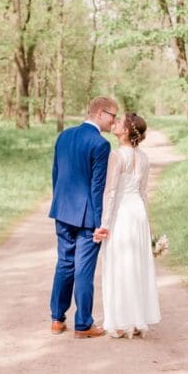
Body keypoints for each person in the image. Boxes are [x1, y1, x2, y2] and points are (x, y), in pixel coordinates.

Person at [48, 96, 117, 338]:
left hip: (62, 210)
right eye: (113, 115)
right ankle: (83, 325)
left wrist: (58, 203)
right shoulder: (100, 144)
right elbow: (97, 188)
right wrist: (101, 224)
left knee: (64, 263)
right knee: (83, 270)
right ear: (100, 113)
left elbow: (56, 175)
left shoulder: (64, 136)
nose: (114, 121)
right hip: (87, 218)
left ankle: (57, 319)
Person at [98, 112, 161, 338]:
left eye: (119, 122)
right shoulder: (143, 157)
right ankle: (136, 319)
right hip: (138, 214)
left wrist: (104, 223)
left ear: (125, 131)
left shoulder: (116, 155)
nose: (114, 124)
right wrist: (149, 226)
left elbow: (111, 192)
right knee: (137, 264)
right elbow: (143, 193)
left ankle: (119, 321)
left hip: (122, 214)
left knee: (119, 264)